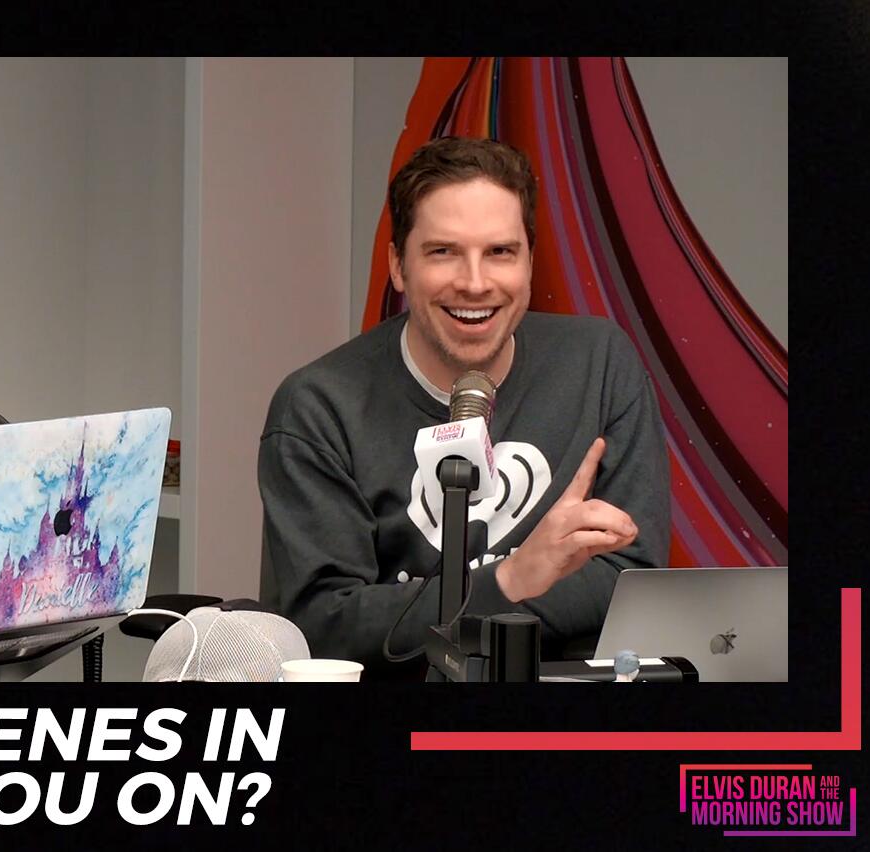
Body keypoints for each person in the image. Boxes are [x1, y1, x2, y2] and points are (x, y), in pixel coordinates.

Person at [258, 136, 669, 678]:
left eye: (500, 252)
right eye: (443, 252)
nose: (475, 284)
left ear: (529, 262)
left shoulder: (600, 364)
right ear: (398, 265)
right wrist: (512, 580)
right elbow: (323, 625)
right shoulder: (319, 408)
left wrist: (438, 613)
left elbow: (631, 575)